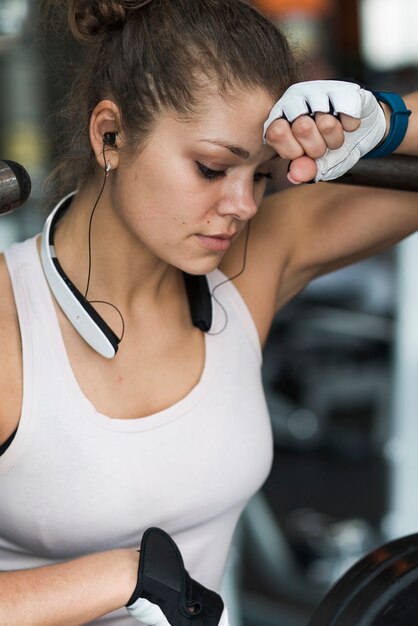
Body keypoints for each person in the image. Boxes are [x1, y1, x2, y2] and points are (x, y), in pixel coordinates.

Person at [0, 0, 417, 624]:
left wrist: (387, 121)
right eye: (212, 168)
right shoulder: (11, 322)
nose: (245, 204)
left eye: (263, 175)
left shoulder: (251, 265)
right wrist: (125, 577)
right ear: (110, 134)